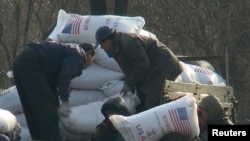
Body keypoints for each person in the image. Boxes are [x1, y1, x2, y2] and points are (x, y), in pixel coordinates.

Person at [12, 41, 95, 141]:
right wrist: (65, 102)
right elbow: (65, 77)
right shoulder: (79, 54)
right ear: (89, 53)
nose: (90, 63)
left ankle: (39, 138)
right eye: (92, 59)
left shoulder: (66, 52)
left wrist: (56, 102)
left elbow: (51, 85)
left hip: (20, 60)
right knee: (48, 110)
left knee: (32, 108)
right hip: (32, 61)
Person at [94, 26, 183, 113]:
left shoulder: (128, 43)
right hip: (154, 68)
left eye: (102, 44)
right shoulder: (116, 48)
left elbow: (142, 64)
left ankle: (155, 124)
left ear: (108, 40)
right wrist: (130, 81)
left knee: (152, 100)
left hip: (164, 65)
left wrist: (130, 83)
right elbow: (130, 67)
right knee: (143, 96)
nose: (101, 47)